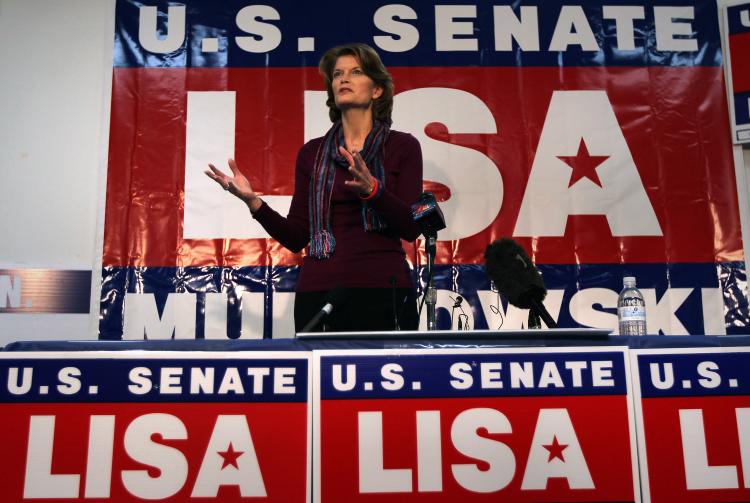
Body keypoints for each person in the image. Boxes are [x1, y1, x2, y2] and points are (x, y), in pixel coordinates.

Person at [205, 43, 423, 332]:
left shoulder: (403, 147)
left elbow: (411, 226)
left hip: (383, 288)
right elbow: (297, 237)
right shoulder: (312, 153)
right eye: (337, 74)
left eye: (356, 72)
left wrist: (372, 190)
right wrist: (254, 204)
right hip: (319, 291)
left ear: (377, 90)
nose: (343, 79)